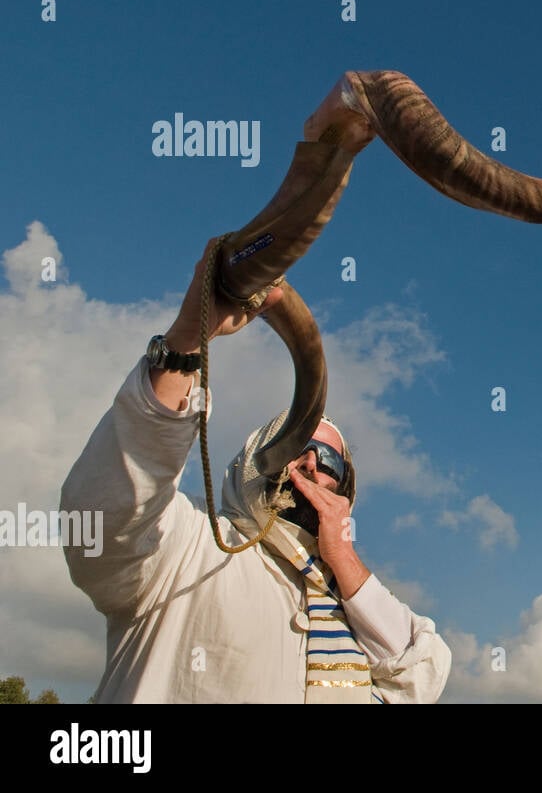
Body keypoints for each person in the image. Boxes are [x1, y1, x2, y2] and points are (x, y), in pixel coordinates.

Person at [62, 239, 453, 703]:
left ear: (345, 487)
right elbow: (106, 516)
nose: (310, 462)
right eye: (296, 444)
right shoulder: (191, 549)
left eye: (329, 460)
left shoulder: (353, 612)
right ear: (254, 460)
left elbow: (419, 673)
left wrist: (343, 558)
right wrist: (190, 334)